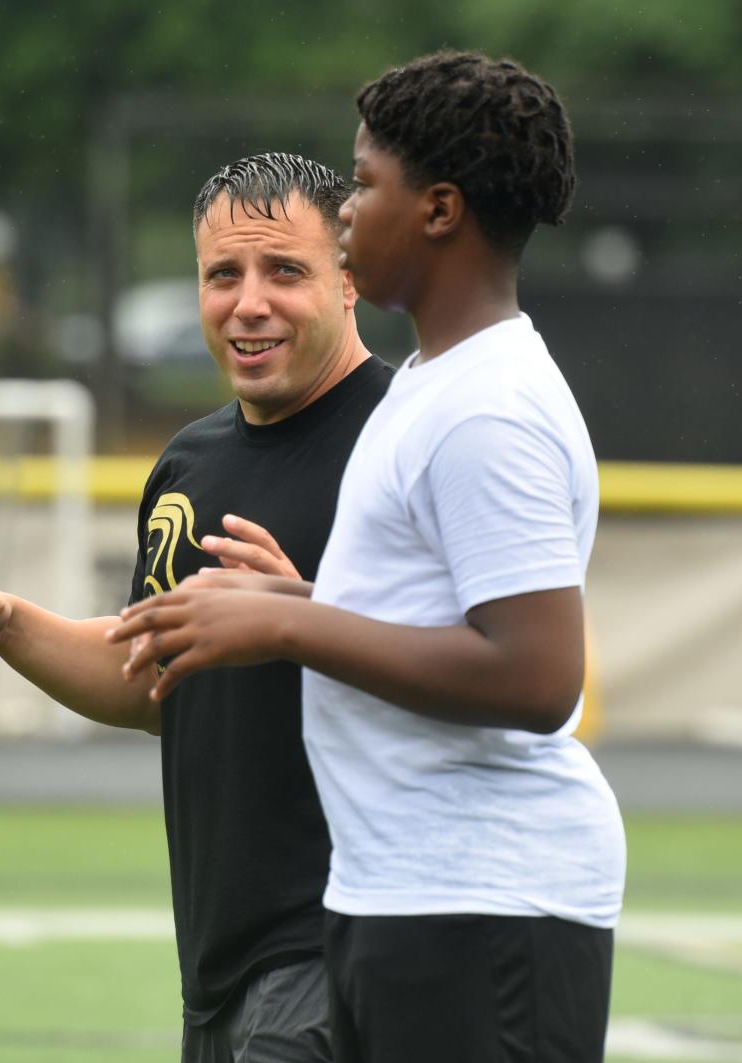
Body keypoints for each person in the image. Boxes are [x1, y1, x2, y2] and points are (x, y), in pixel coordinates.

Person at [111, 53, 627, 1062]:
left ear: (438, 210)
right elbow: (435, 618)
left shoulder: (490, 405)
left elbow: (537, 674)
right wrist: (302, 600)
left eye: (366, 183)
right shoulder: (438, 381)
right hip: (406, 895)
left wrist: (289, 620)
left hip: (486, 904)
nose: (347, 211)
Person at [0, 152, 394, 1062]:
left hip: (349, 943)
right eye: (222, 274)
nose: (249, 302)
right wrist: (13, 628)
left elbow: (497, 667)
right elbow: (151, 679)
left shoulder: (409, 441)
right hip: (217, 963)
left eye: (285, 270)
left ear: (349, 277)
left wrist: (309, 615)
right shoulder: (189, 464)